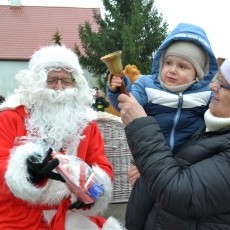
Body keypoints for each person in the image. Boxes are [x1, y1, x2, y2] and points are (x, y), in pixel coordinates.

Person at [107, 22, 218, 229]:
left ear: (199, 73)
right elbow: (128, 105)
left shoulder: (207, 95)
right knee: (138, 209)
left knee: (171, 212)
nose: (172, 70)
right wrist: (118, 90)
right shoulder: (147, 85)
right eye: (168, 63)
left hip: (186, 166)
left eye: (183, 66)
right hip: (148, 163)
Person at [0, 45, 124, 230]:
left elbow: (102, 166)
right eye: (51, 80)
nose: (59, 88)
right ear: (36, 82)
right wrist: (25, 173)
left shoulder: (86, 123)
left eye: (66, 81)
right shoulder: (10, 117)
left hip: (70, 214)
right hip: (18, 215)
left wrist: (91, 190)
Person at [117, 56, 230, 229]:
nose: (212, 86)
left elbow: (177, 194)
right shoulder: (213, 124)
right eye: (216, 78)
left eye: (222, 84)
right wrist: (149, 170)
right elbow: (179, 167)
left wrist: (140, 125)